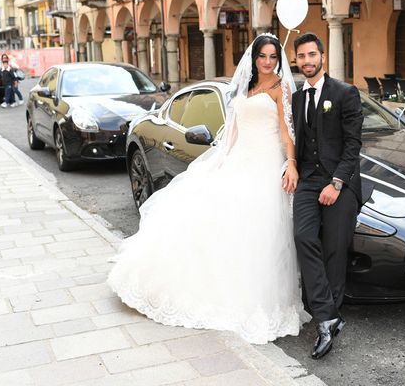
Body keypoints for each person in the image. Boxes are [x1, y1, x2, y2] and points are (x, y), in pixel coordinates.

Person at [107, 34, 308, 344]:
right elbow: (234, 131)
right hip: (240, 159)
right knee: (214, 221)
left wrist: (291, 162)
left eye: (272, 57)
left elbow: (286, 129)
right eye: (262, 56)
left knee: (259, 232)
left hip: (266, 164)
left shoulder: (280, 87)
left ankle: (252, 296)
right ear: (254, 58)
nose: (268, 62)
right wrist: (221, 161)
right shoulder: (244, 87)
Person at [291, 32, 363, 360]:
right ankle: (327, 315)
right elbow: (300, 143)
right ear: (297, 61)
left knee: (335, 249)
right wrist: (290, 167)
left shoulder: (345, 93)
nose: (307, 61)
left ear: (322, 56)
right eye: (301, 56)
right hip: (308, 179)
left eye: (311, 55)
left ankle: (327, 318)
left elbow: (353, 144)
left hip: (340, 181)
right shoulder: (297, 97)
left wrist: (336, 184)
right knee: (304, 236)